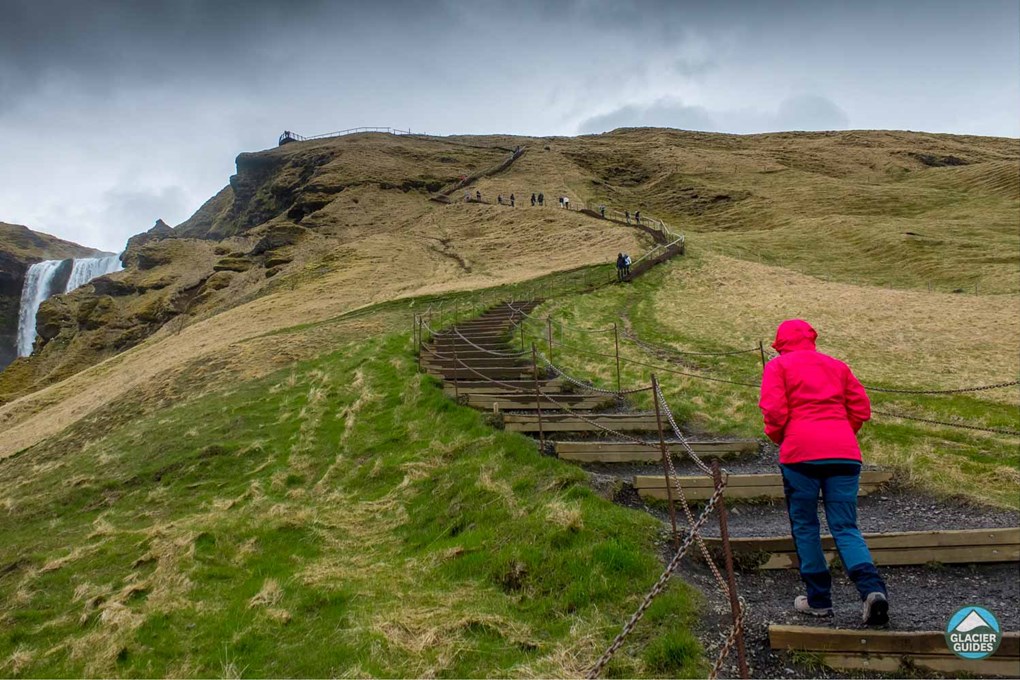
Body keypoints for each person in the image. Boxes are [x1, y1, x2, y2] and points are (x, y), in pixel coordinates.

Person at [759, 320, 889, 626]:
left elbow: (774, 412)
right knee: (846, 526)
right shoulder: (837, 366)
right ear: (812, 339)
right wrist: (842, 433)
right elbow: (861, 408)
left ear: (780, 343)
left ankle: (818, 600)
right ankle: (872, 591)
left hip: (800, 454)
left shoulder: (778, 367)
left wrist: (782, 437)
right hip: (844, 453)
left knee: (805, 525)